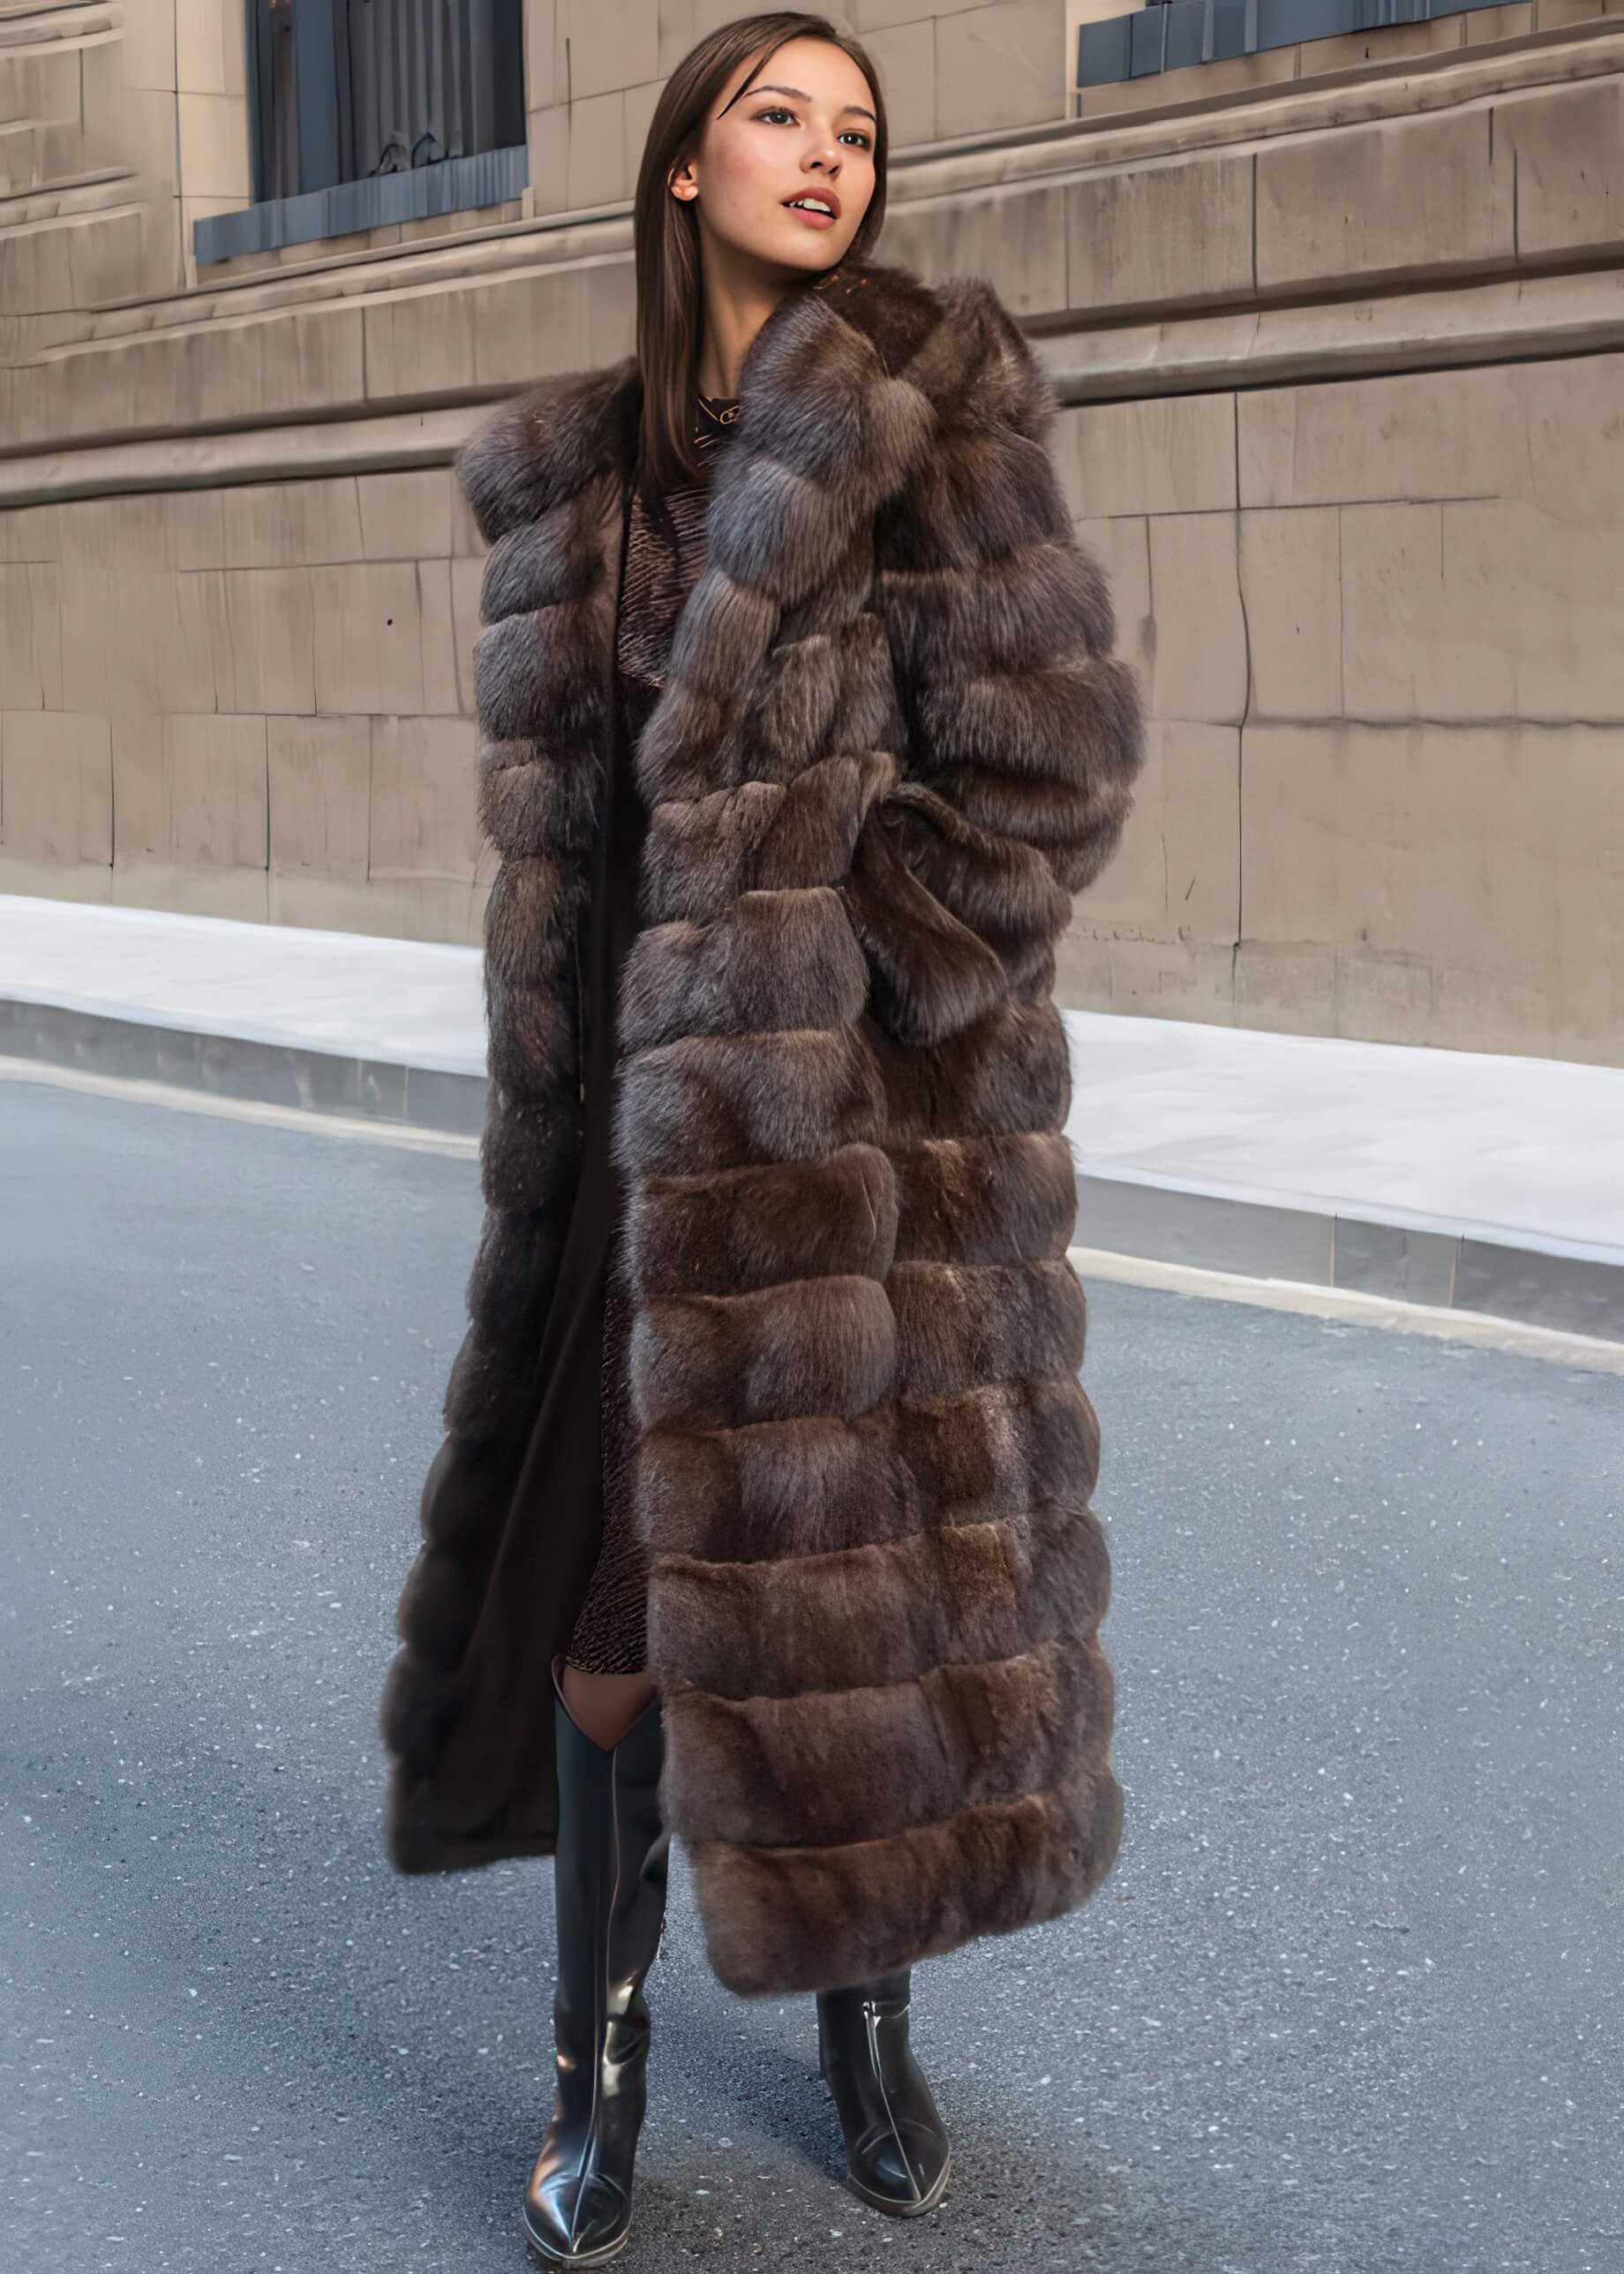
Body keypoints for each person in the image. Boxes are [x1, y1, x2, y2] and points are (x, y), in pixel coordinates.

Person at [378, 11, 1146, 2263]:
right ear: (685, 161)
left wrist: (860, 969)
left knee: (855, 1592)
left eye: (858, 131)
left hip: (858, 1155)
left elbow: (1043, 772)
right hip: (637, 1148)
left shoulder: (925, 403)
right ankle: (595, 2078)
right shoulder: (580, 476)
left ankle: (860, 2027)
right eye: (778, 116)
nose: (825, 157)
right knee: (618, 1614)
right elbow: (582, 838)